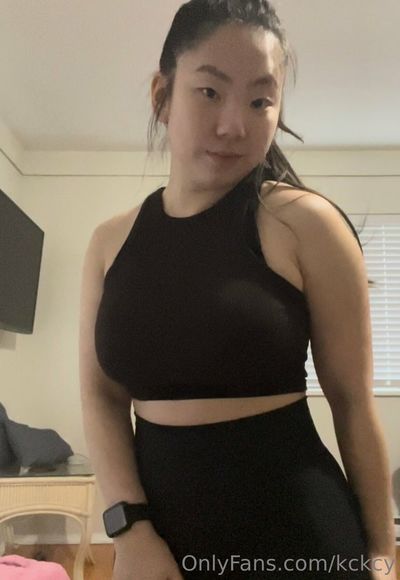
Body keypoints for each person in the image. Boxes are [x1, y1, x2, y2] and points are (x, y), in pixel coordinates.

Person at [79, 1, 397, 578]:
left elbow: (352, 404)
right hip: (157, 550)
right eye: (210, 92)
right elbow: (101, 395)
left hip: (300, 544)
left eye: (260, 100)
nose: (234, 126)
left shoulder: (306, 224)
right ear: (162, 96)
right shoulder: (109, 243)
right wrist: (130, 530)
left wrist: (380, 557)